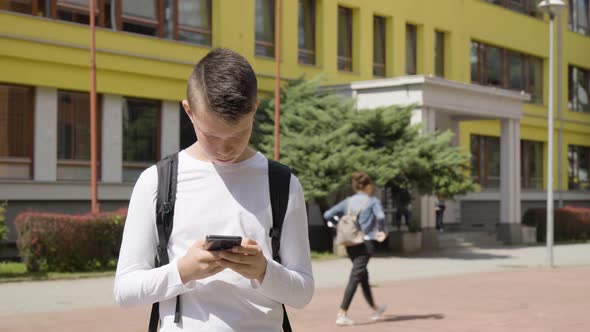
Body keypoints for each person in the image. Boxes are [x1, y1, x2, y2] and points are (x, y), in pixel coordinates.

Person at [113, 48, 314, 331]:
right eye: (212, 135)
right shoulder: (156, 181)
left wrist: (264, 271)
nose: (225, 149)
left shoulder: (281, 184)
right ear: (189, 112)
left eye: (239, 133)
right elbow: (125, 290)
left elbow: (303, 292)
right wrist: (182, 271)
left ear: (255, 108)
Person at [323, 172, 387, 326]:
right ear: (369, 186)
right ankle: (342, 313)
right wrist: (382, 231)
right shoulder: (372, 201)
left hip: (350, 244)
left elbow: (327, 214)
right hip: (366, 243)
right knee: (356, 276)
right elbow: (380, 217)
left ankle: (375, 308)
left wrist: (336, 223)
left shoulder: (348, 202)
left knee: (362, 275)